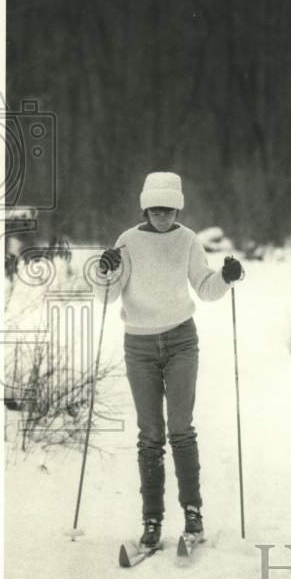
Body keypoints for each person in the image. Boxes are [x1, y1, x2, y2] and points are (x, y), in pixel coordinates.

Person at [97, 171, 243, 550]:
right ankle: (152, 519)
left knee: (181, 428)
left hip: (180, 340)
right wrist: (105, 269)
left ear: (177, 207)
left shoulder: (188, 240)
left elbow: (205, 288)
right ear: (146, 207)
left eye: (169, 209)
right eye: (155, 209)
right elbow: (108, 297)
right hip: (140, 345)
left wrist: (225, 279)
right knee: (150, 434)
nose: (162, 215)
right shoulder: (128, 241)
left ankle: (193, 513)